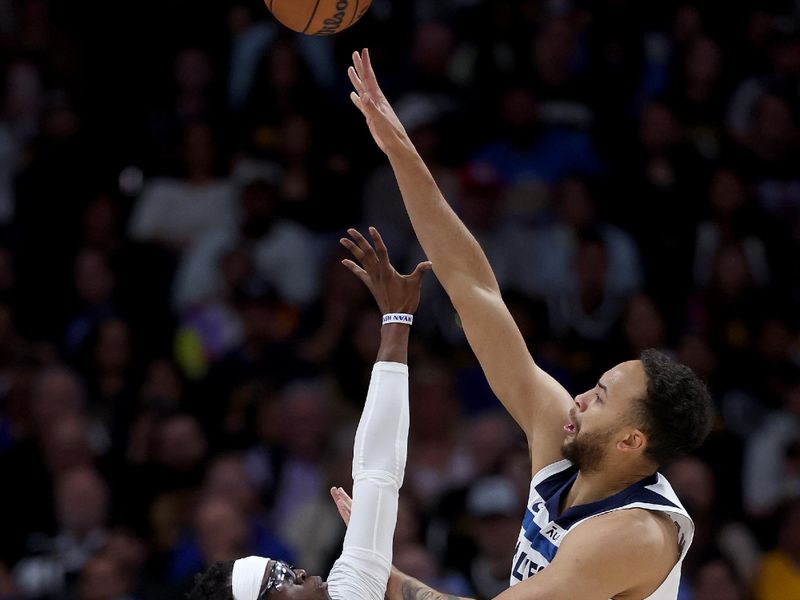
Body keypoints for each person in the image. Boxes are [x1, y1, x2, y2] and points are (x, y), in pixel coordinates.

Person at [345, 47, 715, 600]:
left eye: (603, 397)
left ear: (632, 440)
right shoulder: (563, 439)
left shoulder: (634, 534)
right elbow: (474, 291)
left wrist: (390, 578)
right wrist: (401, 151)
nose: (582, 397)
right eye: (596, 385)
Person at [187, 226, 431, 600]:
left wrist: (396, 320)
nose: (298, 570)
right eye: (279, 576)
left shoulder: (348, 589)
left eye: (282, 566)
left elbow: (377, 470)